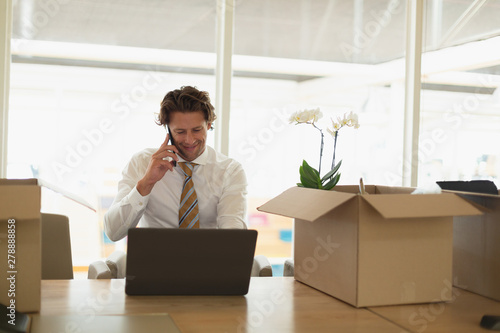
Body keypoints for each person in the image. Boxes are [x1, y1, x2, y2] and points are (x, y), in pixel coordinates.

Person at [104, 86, 248, 241]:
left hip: (207, 262)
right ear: (168, 129)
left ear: (208, 125)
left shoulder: (230, 171)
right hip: (154, 261)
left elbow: (233, 237)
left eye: (196, 130)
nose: (189, 140)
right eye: (180, 132)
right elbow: (113, 232)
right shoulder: (142, 162)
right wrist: (146, 183)